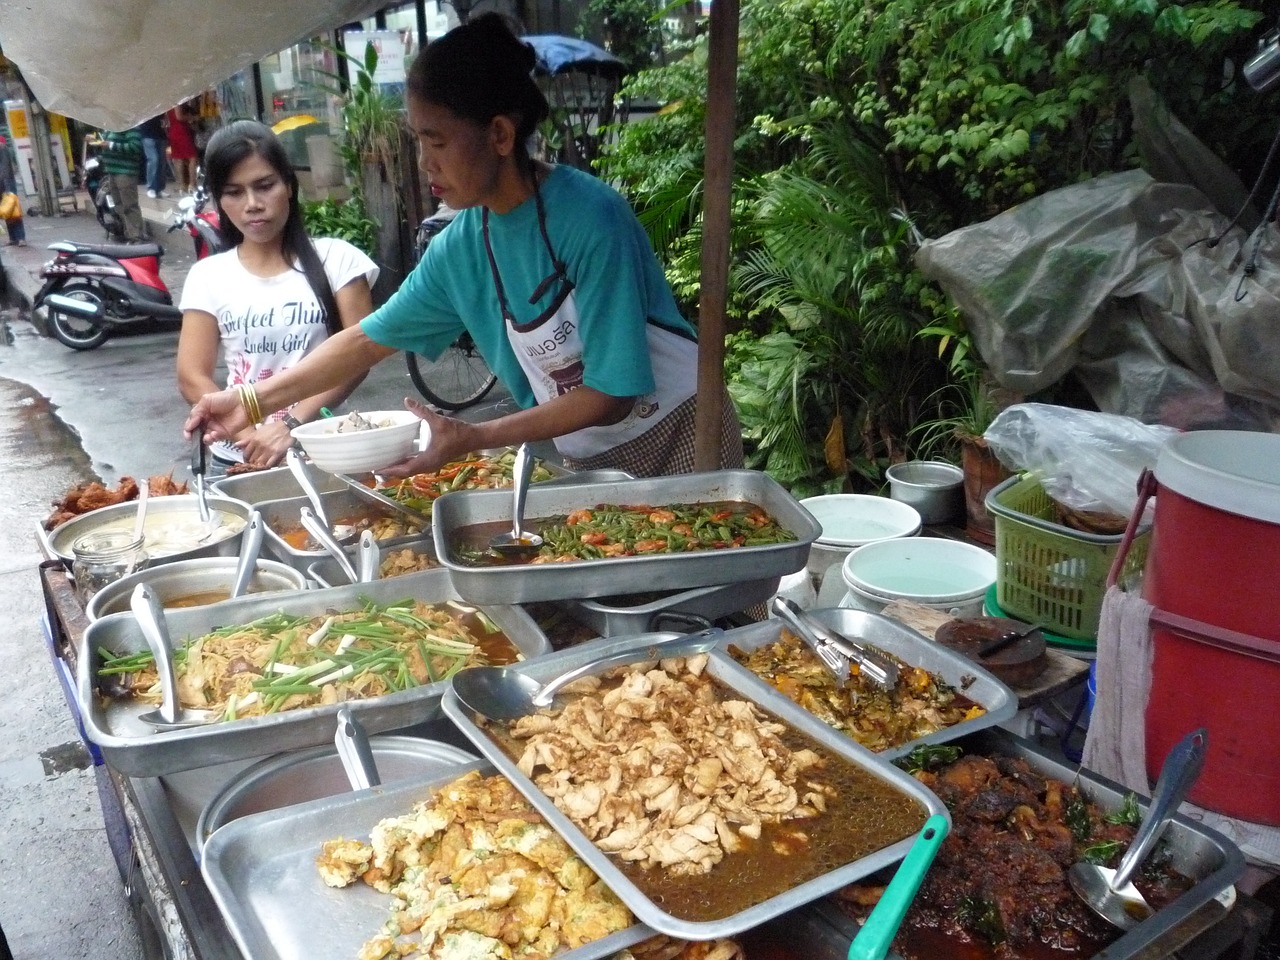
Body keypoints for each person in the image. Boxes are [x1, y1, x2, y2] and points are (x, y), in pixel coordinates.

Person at [185, 14, 743, 478]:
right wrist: (250, 400)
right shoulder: (460, 248)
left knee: (703, 601)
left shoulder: (592, 218)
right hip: (590, 452)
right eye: (418, 141)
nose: (425, 162)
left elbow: (611, 394)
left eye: (438, 141)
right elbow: (363, 341)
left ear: (499, 135)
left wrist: (475, 435)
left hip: (680, 429)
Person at [176, 120, 378, 473]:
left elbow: (359, 355)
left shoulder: (339, 260)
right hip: (239, 457)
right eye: (234, 192)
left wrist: (290, 426)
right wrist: (251, 433)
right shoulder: (208, 275)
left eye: (264, 186)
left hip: (327, 449)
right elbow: (191, 374)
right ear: (220, 201)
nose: (252, 204)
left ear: (289, 185)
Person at [98, 126, 146, 241]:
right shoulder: (110, 127)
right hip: (112, 170)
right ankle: (129, 233)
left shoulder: (129, 127)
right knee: (119, 204)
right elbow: (105, 143)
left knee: (129, 205)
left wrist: (110, 145)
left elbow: (135, 146)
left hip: (125, 171)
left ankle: (136, 236)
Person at [166, 102, 199, 193]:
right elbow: (179, 117)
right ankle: (192, 184)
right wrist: (192, 118)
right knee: (192, 157)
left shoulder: (168, 103)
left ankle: (181, 185)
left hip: (173, 131)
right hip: (182, 131)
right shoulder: (177, 102)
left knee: (178, 159)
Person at [0, 135, 25, 247]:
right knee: (6, 211)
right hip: (3, 183)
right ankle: (13, 237)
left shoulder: (2, 148)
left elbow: (5, 168)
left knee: (13, 210)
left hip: (6, 183)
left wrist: (7, 187)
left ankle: (20, 237)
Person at [139, 113, 168, 198]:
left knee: (161, 162)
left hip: (160, 134)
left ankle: (159, 188)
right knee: (153, 160)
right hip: (147, 134)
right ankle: (151, 187)